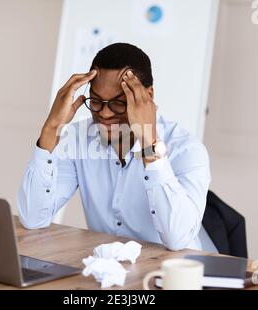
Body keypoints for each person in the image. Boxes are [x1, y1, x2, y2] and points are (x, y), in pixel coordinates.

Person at [17, 43, 212, 251]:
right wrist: (51, 128)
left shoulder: (187, 149)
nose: (105, 114)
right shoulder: (78, 139)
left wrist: (148, 143)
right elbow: (33, 218)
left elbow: (177, 239)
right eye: (96, 101)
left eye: (119, 103)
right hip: (109, 272)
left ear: (148, 96)